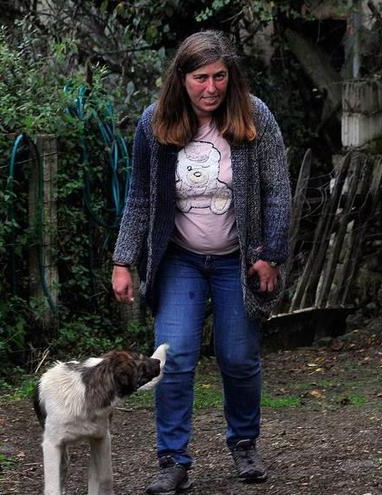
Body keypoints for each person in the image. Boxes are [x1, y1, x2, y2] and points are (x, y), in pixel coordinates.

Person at [111, 30, 291, 495]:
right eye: (200, 78)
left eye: (219, 77)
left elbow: (277, 191)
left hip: (239, 259)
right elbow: (140, 198)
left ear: (231, 78)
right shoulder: (156, 123)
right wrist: (123, 260)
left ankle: (244, 442)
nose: (210, 88)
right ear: (181, 78)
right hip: (179, 261)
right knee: (173, 356)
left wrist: (271, 254)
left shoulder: (255, 117)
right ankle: (172, 459)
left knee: (238, 357)